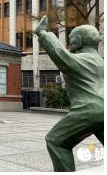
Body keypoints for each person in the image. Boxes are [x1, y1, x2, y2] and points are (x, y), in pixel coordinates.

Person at [34, 16, 104, 171]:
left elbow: (61, 56)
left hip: (90, 110)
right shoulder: (101, 61)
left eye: (71, 39)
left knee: (56, 141)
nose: (68, 43)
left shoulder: (82, 59)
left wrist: (44, 34)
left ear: (78, 41)